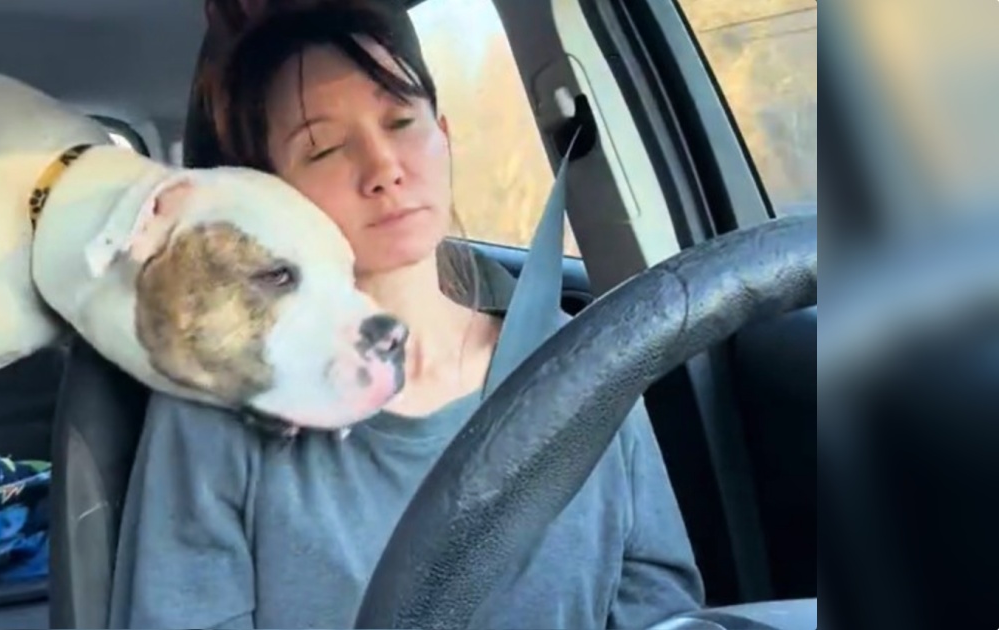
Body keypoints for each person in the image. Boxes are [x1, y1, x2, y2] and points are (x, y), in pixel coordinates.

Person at [107, 3, 705, 628]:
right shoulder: (217, 413)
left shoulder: (583, 363)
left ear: (444, 137)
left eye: (400, 121)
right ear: (268, 196)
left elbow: (658, 608)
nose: (384, 168)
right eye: (324, 147)